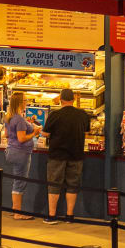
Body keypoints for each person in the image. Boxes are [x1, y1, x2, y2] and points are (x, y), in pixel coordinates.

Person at [40, 89, 92, 224]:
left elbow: (45, 134)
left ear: (61, 100)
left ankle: (52, 216)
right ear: (73, 99)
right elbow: (87, 131)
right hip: (76, 154)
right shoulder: (82, 114)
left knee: (54, 184)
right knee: (73, 185)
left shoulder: (55, 114)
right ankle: (70, 215)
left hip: (57, 155)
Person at [3, 92, 39, 219]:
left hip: (11, 151)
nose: (26, 102)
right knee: (20, 182)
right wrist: (34, 132)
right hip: (21, 153)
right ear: (19, 102)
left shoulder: (9, 117)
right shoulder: (19, 118)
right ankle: (18, 213)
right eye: (25, 100)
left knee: (16, 180)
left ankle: (15, 209)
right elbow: (22, 138)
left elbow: (6, 135)